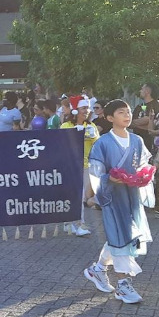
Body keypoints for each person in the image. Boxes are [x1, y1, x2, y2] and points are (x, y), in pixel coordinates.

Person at [83, 99, 153, 304]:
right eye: (121, 112)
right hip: (112, 196)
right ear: (110, 117)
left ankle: (98, 269)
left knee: (122, 234)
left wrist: (144, 176)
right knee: (123, 236)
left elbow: (143, 164)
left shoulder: (137, 140)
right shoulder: (102, 143)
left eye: (128, 112)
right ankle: (123, 284)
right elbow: (96, 173)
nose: (127, 115)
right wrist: (103, 184)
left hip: (131, 195)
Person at [61, 98, 99, 235]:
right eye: (84, 108)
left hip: (85, 165)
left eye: (88, 108)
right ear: (76, 111)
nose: (87, 111)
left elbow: (97, 144)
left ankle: (74, 223)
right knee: (73, 194)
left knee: (80, 195)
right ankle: (75, 224)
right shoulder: (66, 126)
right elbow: (60, 143)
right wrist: (75, 134)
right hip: (70, 165)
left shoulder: (92, 126)